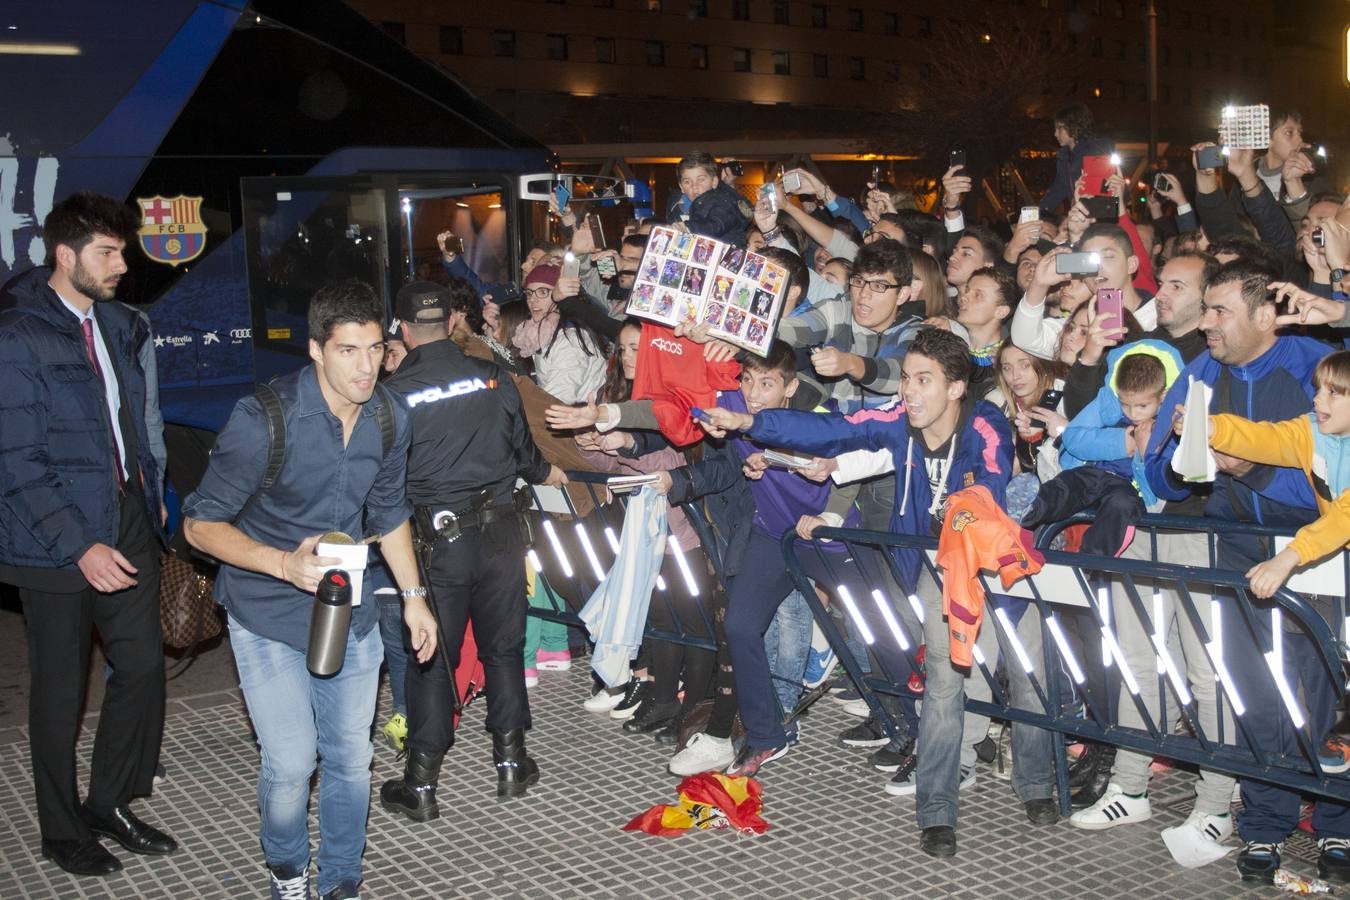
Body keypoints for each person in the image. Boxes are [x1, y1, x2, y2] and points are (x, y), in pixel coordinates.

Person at [702, 328, 1058, 856]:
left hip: (999, 565)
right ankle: (937, 810)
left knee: (1029, 677)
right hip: (941, 570)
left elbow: (992, 479)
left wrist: (969, 502)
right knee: (943, 682)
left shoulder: (986, 426)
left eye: (923, 381)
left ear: (956, 388)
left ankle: (1036, 785)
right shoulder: (900, 422)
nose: (908, 392)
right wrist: (752, 422)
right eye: (907, 379)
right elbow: (834, 430)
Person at [183, 281, 438, 900]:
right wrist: (279, 564)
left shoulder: (388, 415)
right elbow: (198, 523)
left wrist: (412, 596)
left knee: (351, 757)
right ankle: (288, 871)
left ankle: (342, 879)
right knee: (294, 763)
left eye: (375, 349)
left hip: (349, 612)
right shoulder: (263, 419)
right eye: (348, 351)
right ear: (316, 351)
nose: (365, 366)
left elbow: (390, 512)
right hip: (266, 612)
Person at [1142, 260, 1345, 885]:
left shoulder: (1318, 364)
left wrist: (1244, 471)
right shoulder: (1198, 375)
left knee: (1324, 698)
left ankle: (1340, 823)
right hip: (1236, 548)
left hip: (1319, 554)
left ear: (1264, 315)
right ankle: (1264, 824)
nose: (1205, 323)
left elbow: (1312, 467)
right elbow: (1157, 475)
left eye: (1219, 310)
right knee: (1254, 691)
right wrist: (1187, 454)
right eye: (1204, 309)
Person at [0, 192, 174, 878]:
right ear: (65, 255)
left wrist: (151, 498)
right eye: (108, 252)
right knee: (60, 689)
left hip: (126, 514)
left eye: (122, 251)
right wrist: (78, 544)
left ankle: (109, 801)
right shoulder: (18, 334)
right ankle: (61, 828)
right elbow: (16, 459)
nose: (122, 264)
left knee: (142, 667)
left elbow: (136, 422)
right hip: (54, 540)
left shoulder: (121, 324)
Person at [379, 281, 567, 822]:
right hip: (503, 537)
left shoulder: (395, 394)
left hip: (440, 547)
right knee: (503, 650)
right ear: (451, 323)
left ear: (406, 331)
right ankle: (512, 763)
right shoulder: (496, 377)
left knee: (431, 657)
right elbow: (527, 458)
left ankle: (422, 783)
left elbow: (384, 480)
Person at [1185, 349, 1350, 773]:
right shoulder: (1313, 432)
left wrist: (1288, 557)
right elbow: (1266, 438)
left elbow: (1345, 515)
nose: (1318, 400)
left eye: (1335, 393)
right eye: (1318, 389)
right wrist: (1213, 427)